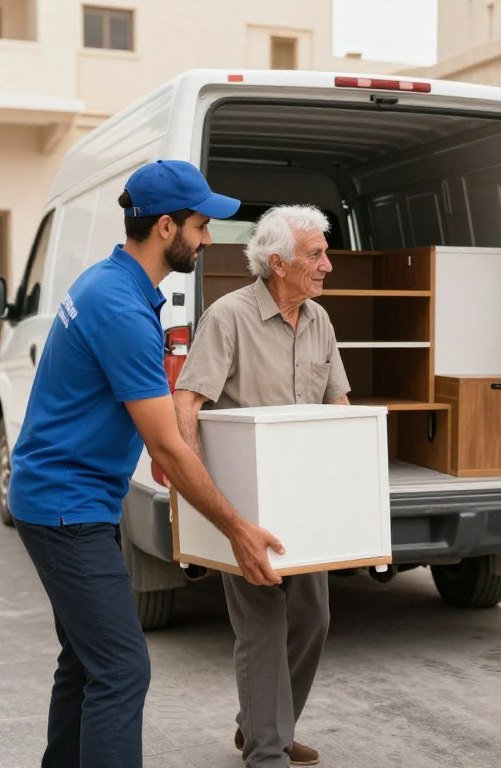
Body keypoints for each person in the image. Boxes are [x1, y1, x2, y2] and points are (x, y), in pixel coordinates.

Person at [8, 159, 285, 768]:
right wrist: (236, 528)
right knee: (122, 670)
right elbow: (165, 447)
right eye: (201, 224)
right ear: (166, 228)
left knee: (85, 662)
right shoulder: (121, 310)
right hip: (64, 508)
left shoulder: (112, 284)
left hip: (68, 499)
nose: (209, 237)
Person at [173, 204, 350, 768]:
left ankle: (263, 724)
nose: (328, 266)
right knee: (262, 624)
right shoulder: (227, 317)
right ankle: (266, 752)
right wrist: (203, 504)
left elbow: (339, 406)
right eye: (316, 255)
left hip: (306, 498)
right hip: (247, 502)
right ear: (277, 262)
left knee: (312, 618)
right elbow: (187, 407)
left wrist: (350, 490)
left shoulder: (320, 321)